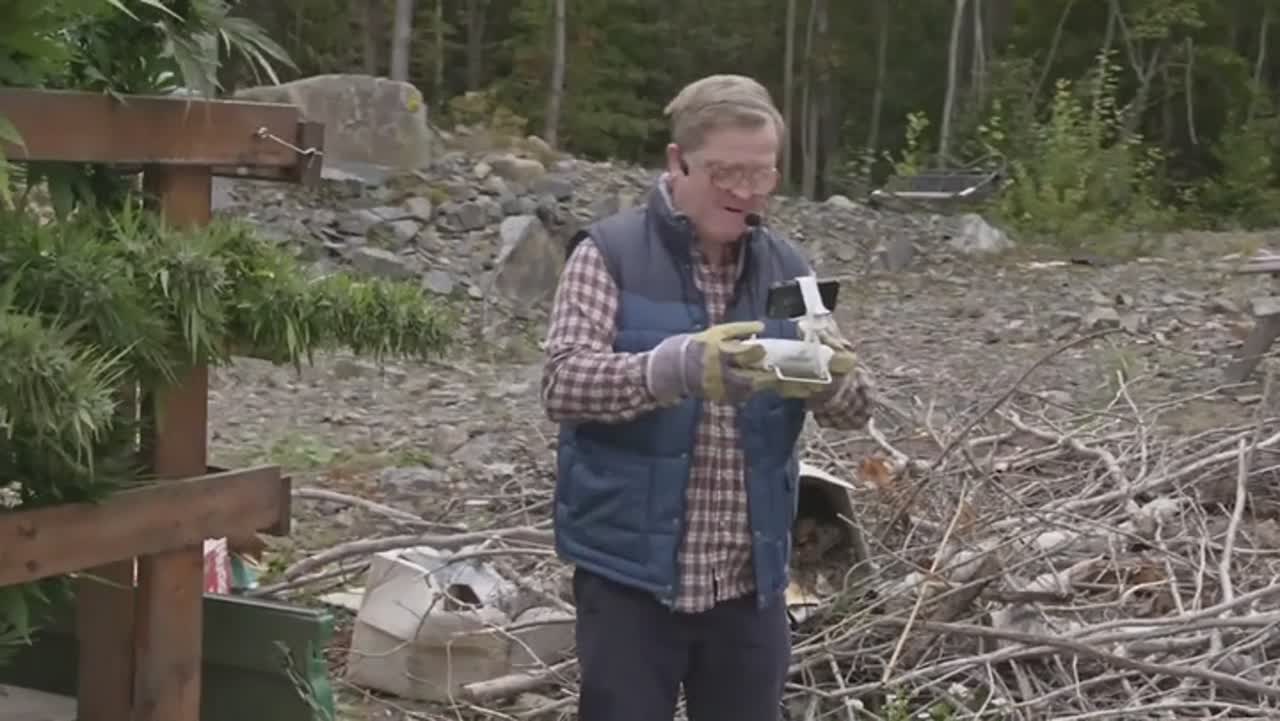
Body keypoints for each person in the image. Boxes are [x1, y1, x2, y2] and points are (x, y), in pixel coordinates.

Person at [539, 73, 874, 721]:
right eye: (726, 172)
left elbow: (854, 410)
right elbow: (562, 384)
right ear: (678, 162)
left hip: (750, 588)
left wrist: (828, 376)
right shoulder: (609, 254)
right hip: (631, 581)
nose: (745, 192)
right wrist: (674, 368)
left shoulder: (789, 268)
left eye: (761, 174)